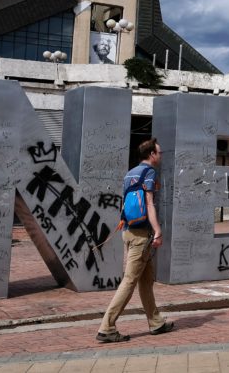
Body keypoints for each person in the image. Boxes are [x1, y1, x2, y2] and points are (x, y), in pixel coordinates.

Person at [96, 138, 174, 343]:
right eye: (159, 152)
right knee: (130, 280)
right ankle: (107, 327)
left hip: (129, 231)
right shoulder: (149, 173)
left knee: (146, 281)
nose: (161, 155)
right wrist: (158, 230)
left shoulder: (129, 173)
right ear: (151, 155)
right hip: (141, 235)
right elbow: (149, 203)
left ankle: (156, 322)